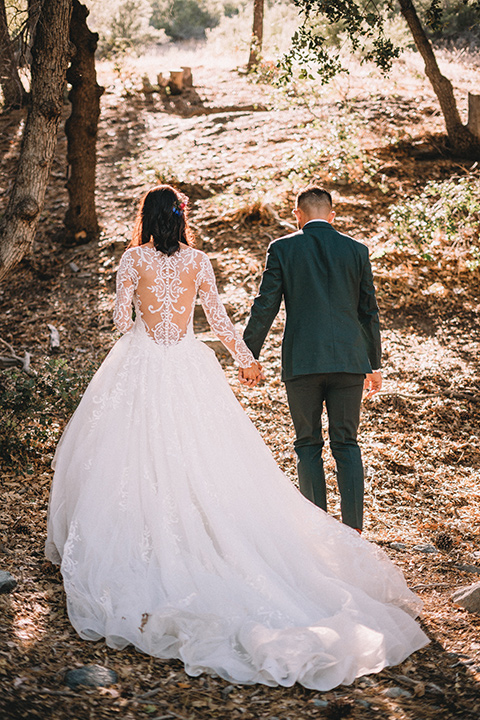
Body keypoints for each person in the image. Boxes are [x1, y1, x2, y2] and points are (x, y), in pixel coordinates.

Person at [45, 185, 428, 692]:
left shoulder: (131, 259)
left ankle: (150, 533)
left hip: (141, 366)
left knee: (131, 453)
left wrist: (138, 312)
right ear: (181, 218)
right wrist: (246, 359)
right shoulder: (199, 260)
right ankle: (316, 530)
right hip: (188, 364)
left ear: (145, 218)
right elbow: (220, 320)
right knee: (213, 455)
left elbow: (119, 322)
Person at [243, 186, 382, 533]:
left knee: (308, 444)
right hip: (350, 362)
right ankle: (354, 532)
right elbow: (369, 311)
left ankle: (320, 532)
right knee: (347, 443)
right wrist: (374, 363)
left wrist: (248, 354)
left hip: (303, 362)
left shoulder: (283, 248)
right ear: (331, 216)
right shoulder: (356, 251)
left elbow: (266, 305)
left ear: (298, 214)